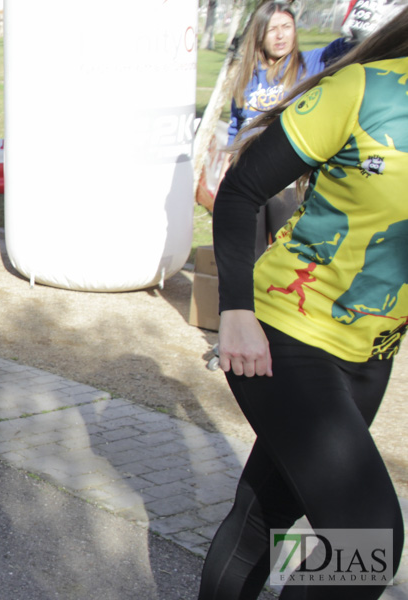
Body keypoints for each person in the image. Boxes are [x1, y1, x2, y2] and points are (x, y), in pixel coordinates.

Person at [198, 9, 408, 599]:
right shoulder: (364, 90)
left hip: (371, 356)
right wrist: (235, 311)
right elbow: (239, 193)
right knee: (369, 540)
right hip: (282, 334)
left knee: (265, 520)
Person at [227, 0, 353, 254]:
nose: (281, 35)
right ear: (259, 34)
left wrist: (356, 23)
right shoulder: (246, 76)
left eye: (287, 26)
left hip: (288, 186)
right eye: (272, 29)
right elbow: (235, 128)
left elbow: (348, 46)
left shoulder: (312, 63)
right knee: (247, 260)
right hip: (248, 181)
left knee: (290, 258)